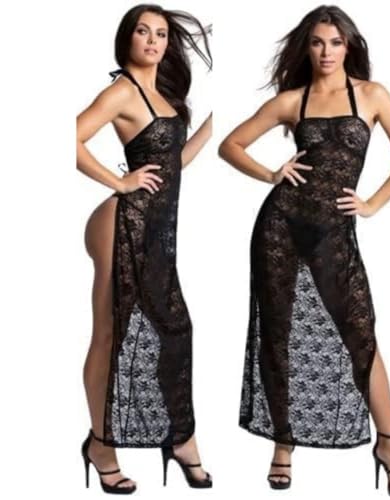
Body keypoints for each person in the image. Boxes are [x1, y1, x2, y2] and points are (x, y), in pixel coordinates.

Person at [218, 5, 390, 497]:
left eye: (334, 42)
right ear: (306, 48)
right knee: (278, 335)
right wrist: (272, 173)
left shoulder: (371, 95)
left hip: (334, 233)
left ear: (349, 46)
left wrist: (372, 204)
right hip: (280, 227)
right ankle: (283, 444)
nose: (326, 51)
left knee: (361, 337)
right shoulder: (294, 100)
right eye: (316, 42)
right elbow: (231, 145)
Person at [76, 4, 212, 493]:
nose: (153, 41)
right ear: (127, 39)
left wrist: (210, 129)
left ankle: (180, 438)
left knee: (175, 329)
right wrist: (120, 181)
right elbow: (69, 137)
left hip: (154, 230)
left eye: (161, 34)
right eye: (143, 31)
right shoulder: (122, 91)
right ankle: (102, 447)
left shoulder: (164, 95)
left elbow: (171, 165)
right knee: (110, 336)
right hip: (120, 223)